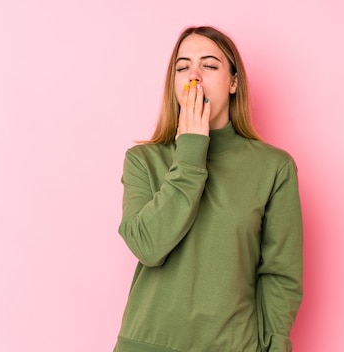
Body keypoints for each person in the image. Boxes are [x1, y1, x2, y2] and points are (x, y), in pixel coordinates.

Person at [113, 26, 303, 352]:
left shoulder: (274, 168)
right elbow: (148, 245)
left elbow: (279, 276)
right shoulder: (143, 160)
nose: (194, 76)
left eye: (210, 66)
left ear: (233, 82)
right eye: (183, 67)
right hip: (146, 343)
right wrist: (190, 151)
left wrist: (275, 346)